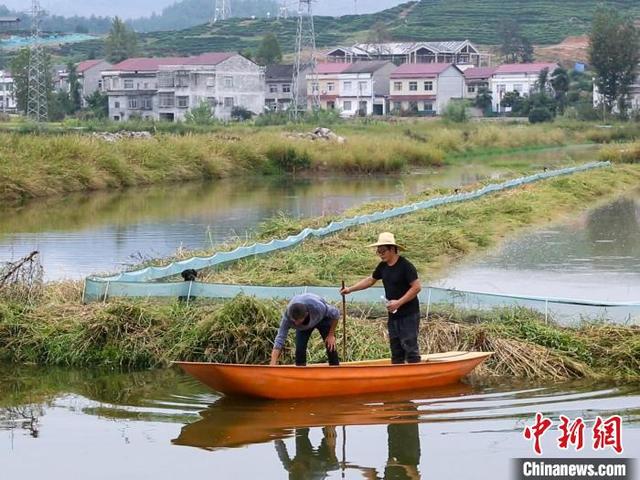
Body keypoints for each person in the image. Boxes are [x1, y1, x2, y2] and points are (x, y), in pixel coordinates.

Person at [340, 232, 422, 364]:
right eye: (378, 252)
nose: (380, 254)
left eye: (383, 251)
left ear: (392, 249)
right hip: (393, 314)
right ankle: (397, 377)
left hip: (409, 314)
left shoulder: (406, 266)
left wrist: (399, 303)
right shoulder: (382, 266)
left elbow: (417, 287)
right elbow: (370, 280)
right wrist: (350, 289)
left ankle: (416, 376)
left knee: (410, 347)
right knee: (396, 350)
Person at [270, 293, 340, 366]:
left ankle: (335, 369)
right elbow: (280, 338)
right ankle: (301, 372)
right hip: (303, 327)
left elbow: (336, 314)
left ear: (306, 314)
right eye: (294, 321)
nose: (296, 324)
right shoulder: (287, 318)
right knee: (300, 349)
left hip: (322, 318)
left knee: (331, 346)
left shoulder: (318, 307)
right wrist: (273, 362)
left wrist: (331, 335)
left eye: (298, 320)